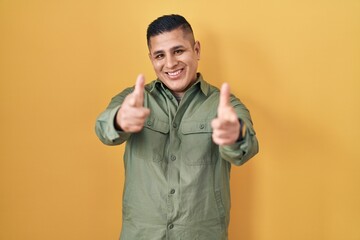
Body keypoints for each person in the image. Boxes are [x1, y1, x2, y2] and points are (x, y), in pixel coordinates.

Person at [95, 14, 259, 240]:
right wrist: (119, 121)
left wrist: (235, 135)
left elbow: (247, 146)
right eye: (159, 55)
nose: (170, 63)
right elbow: (103, 129)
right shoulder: (133, 99)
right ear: (151, 59)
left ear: (197, 50)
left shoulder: (225, 105)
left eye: (178, 51)